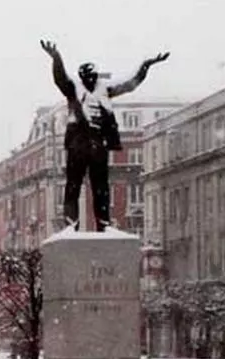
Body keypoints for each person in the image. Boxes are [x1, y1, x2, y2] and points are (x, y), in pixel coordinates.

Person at [40, 39, 169, 231]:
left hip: (98, 142)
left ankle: (103, 224)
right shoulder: (73, 89)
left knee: (100, 186)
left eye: (92, 76)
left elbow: (130, 85)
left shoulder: (105, 90)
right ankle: (71, 223)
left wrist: (145, 66)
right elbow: (60, 77)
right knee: (73, 185)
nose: (89, 80)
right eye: (86, 77)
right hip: (78, 142)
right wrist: (56, 57)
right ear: (82, 77)